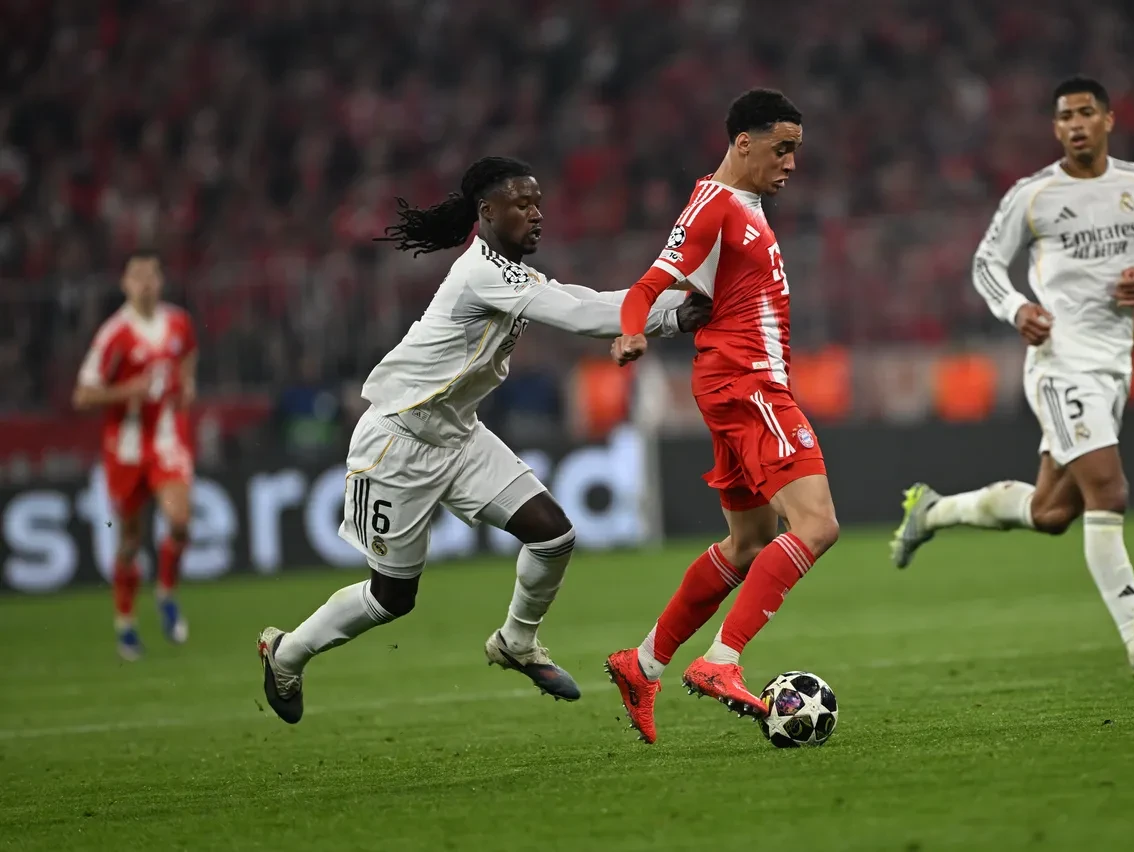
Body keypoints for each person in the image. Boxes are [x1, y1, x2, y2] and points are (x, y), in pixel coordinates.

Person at [256, 157, 711, 724]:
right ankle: (287, 652)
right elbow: (579, 314)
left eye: (538, 202)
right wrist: (673, 313)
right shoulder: (483, 274)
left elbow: (584, 300)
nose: (537, 214)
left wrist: (672, 313)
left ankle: (517, 642)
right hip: (398, 443)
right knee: (392, 598)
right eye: (523, 204)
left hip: (459, 436)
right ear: (487, 213)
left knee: (552, 535)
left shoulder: (511, 272)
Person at [890, 76, 1134, 677]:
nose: (1076, 123)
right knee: (1109, 491)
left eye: (1087, 112)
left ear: (1109, 119)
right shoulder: (1034, 196)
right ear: (1055, 128)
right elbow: (985, 264)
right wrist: (1017, 309)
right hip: (1060, 365)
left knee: (1054, 513)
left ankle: (932, 512)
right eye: (1065, 116)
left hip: (1112, 366)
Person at [603, 90, 840, 744]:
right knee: (817, 525)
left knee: (749, 541)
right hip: (748, 384)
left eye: (796, 150)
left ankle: (643, 663)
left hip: (733, 381)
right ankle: (720, 660)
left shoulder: (746, 206)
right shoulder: (713, 206)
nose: (791, 162)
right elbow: (649, 285)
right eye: (781, 148)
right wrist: (631, 334)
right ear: (743, 142)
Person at [72, 250, 197, 661]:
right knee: (130, 541)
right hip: (125, 449)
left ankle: (166, 593)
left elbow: (188, 354)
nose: (144, 282)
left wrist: (187, 383)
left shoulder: (178, 322)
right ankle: (125, 624)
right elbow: (83, 394)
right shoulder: (114, 335)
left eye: (151, 274)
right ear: (125, 284)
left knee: (179, 521)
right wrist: (128, 391)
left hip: (165, 442)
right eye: (136, 275)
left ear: (161, 281)